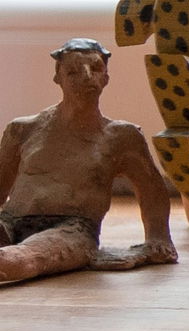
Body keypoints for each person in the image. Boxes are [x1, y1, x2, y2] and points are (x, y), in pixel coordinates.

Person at [0, 39, 178, 285]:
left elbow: (151, 189)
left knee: (20, 260)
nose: (86, 77)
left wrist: (158, 239)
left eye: (95, 69)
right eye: (73, 71)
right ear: (58, 77)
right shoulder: (23, 130)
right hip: (10, 220)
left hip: (72, 228)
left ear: (106, 77)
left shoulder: (122, 137)